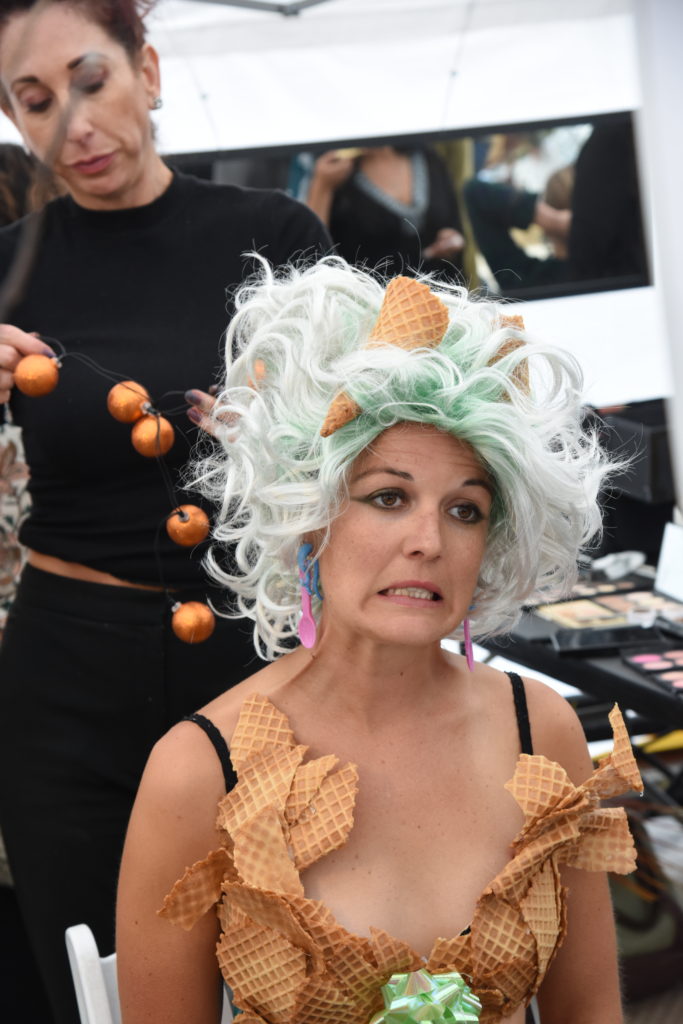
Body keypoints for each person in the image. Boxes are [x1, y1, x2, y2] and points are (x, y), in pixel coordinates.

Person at [117, 258, 642, 1024]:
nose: (427, 540)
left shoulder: (542, 732)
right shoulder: (199, 770)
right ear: (310, 515)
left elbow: (590, 1011)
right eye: (387, 497)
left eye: (464, 510)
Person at [0, 2, 329, 1022]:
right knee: (91, 982)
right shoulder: (10, 264)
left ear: (147, 68)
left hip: (257, 664)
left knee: (291, 971)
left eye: (89, 82)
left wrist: (281, 421)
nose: (71, 127)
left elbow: (351, 446)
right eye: (34, 100)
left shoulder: (271, 237)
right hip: (65, 686)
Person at [305, 145, 465, 278]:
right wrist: (323, 187)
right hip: (369, 304)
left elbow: (452, 223)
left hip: (438, 296)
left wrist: (452, 240)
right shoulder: (332, 169)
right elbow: (312, 254)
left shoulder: (426, 157)